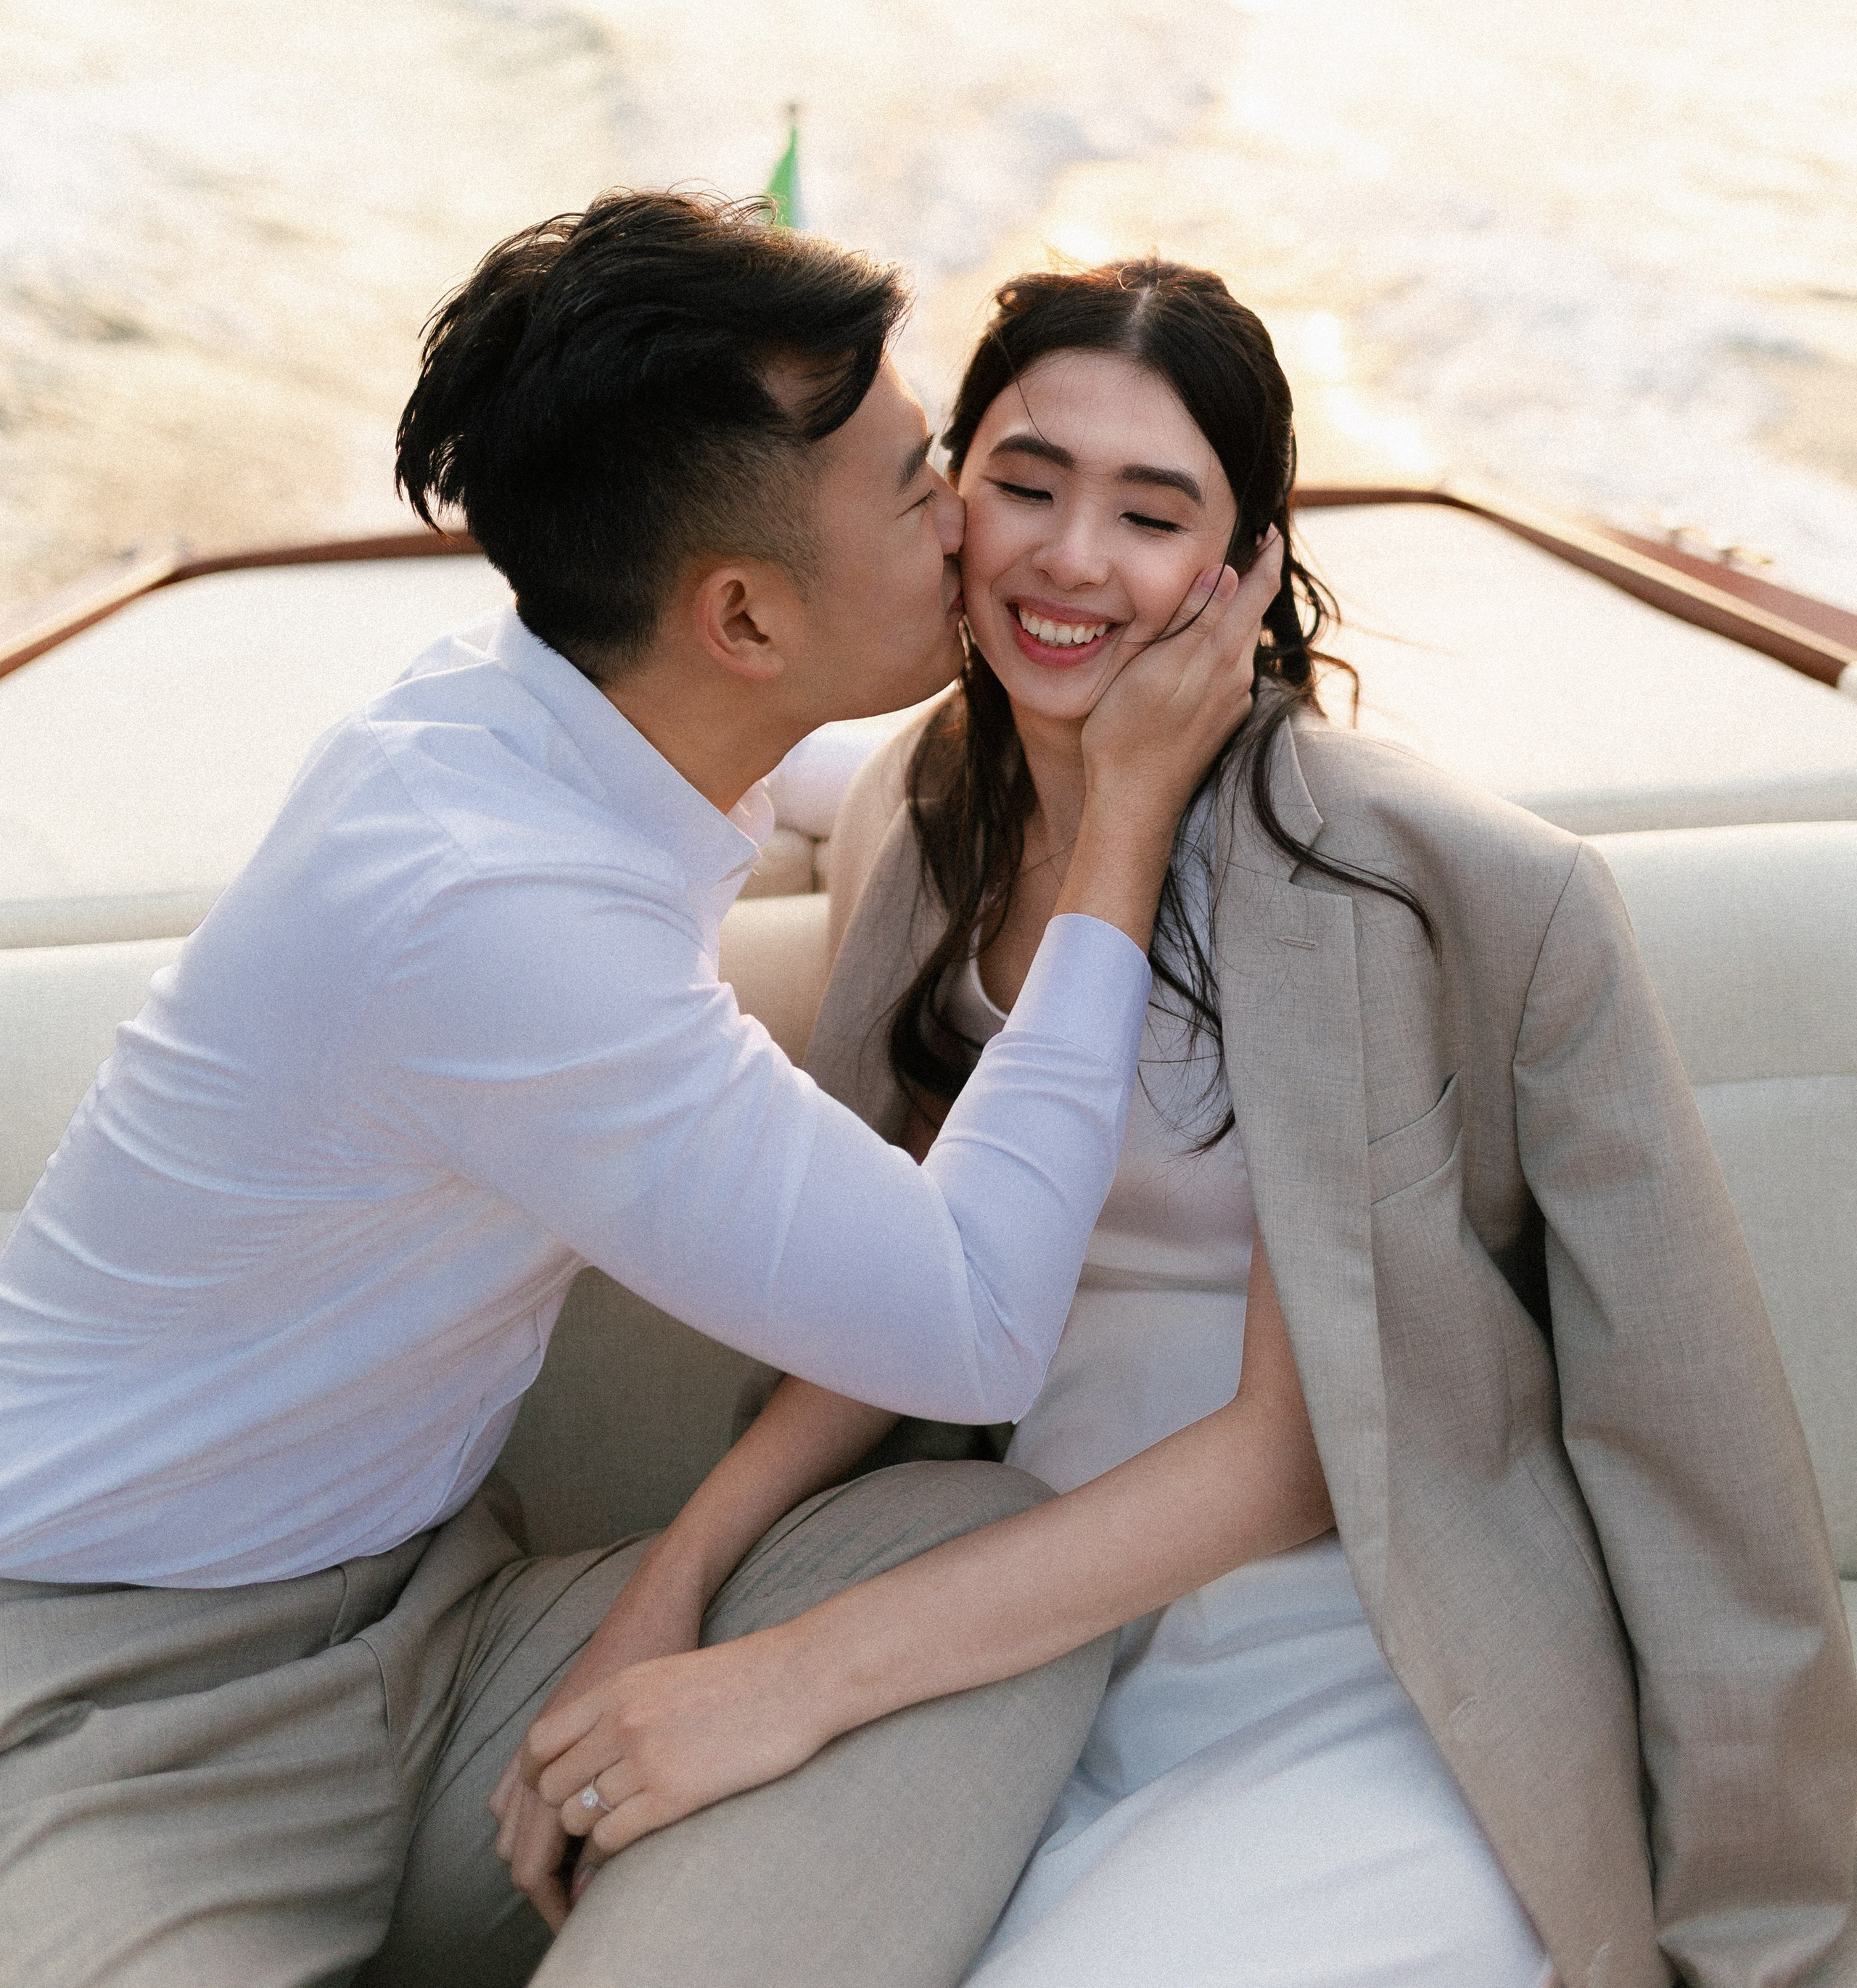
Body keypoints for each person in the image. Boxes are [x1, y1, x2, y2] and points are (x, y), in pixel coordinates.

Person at [514, 257, 1857, 1988]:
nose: (1072, 559)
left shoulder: (1374, 881)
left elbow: (1303, 1453)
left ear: (1243, 567)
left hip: (1352, 1666)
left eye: (1151, 514)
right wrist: (677, 1579)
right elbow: (906, 1279)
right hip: (1015, 1629)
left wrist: (793, 1677)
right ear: (943, 507)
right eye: (1023, 483)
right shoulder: (928, 818)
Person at [0, 197, 1282, 1988]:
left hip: (441, 1624)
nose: (978, 538)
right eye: (929, 488)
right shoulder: (482, 909)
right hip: (99, 1696)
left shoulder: (567, 723)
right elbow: (977, 1323)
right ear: (744, 613)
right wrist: (1123, 830)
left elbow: (839, 765)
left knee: (964, 1548)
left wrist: (1071, 751)